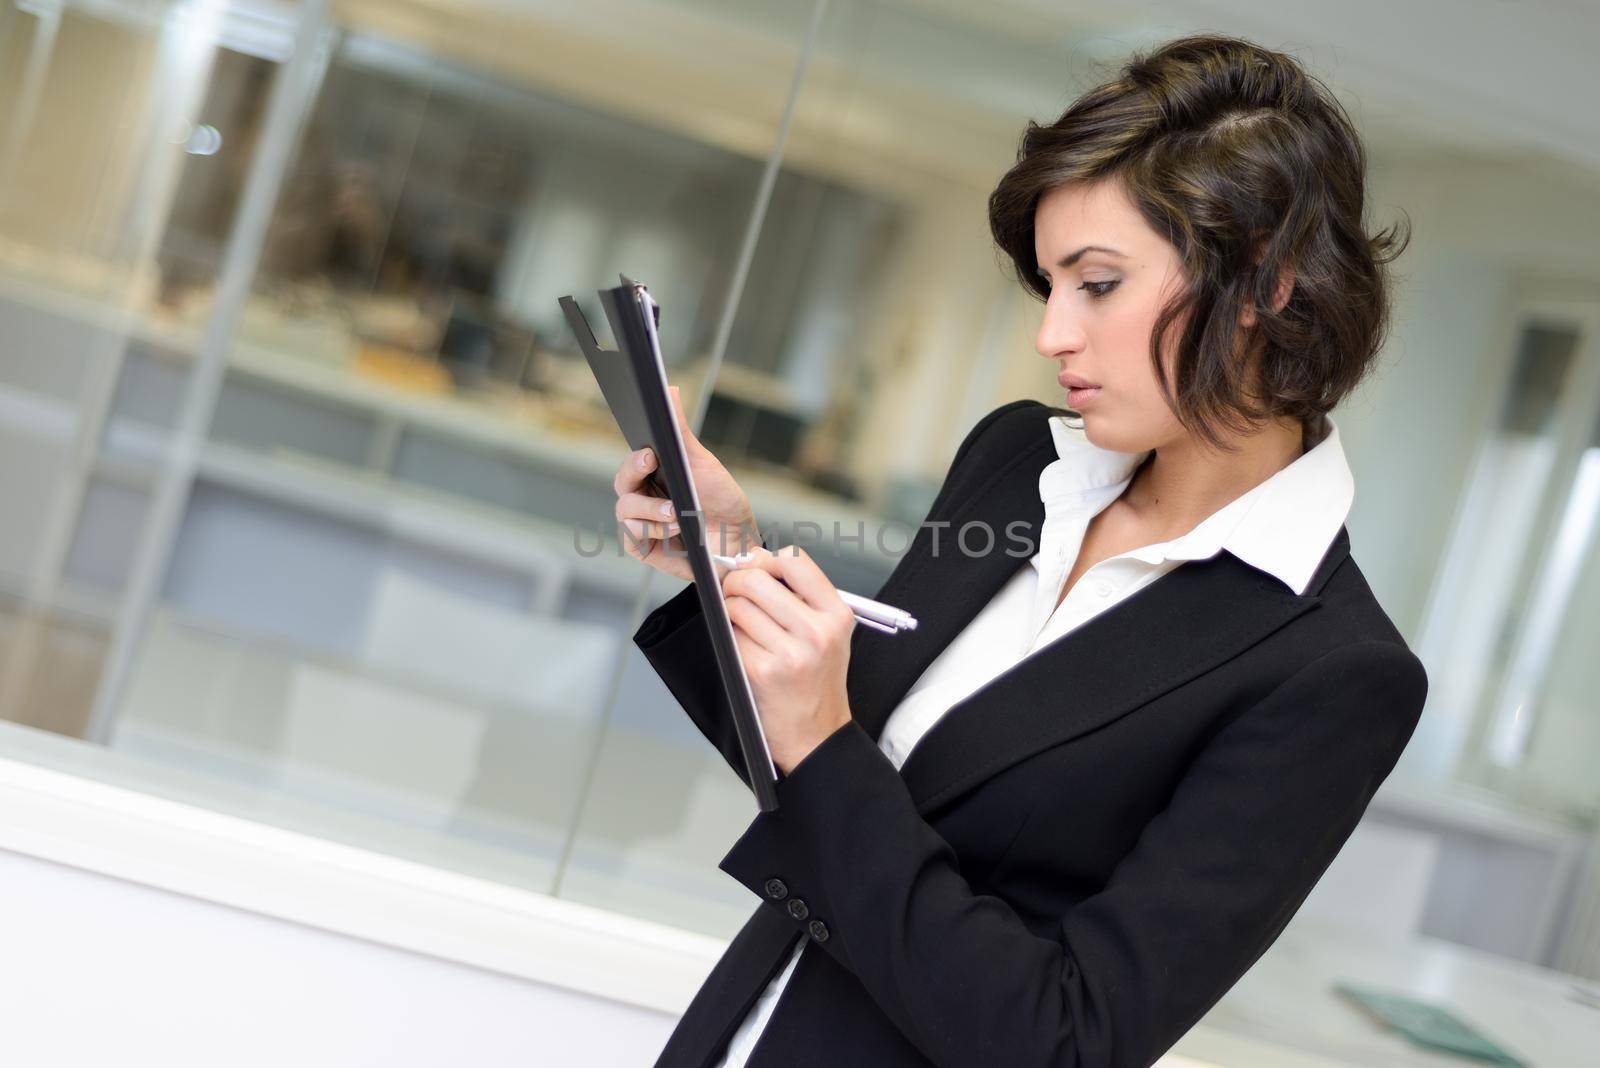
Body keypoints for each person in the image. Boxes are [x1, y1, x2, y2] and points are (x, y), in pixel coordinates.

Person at [612, 33, 1423, 1068]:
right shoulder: (1017, 462)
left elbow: (1064, 1043)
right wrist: (723, 561)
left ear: (1265, 279)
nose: (1052, 336)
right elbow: (837, 784)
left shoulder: (1330, 673)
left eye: (1096, 284)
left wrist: (823, 745)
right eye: (1049, 287)